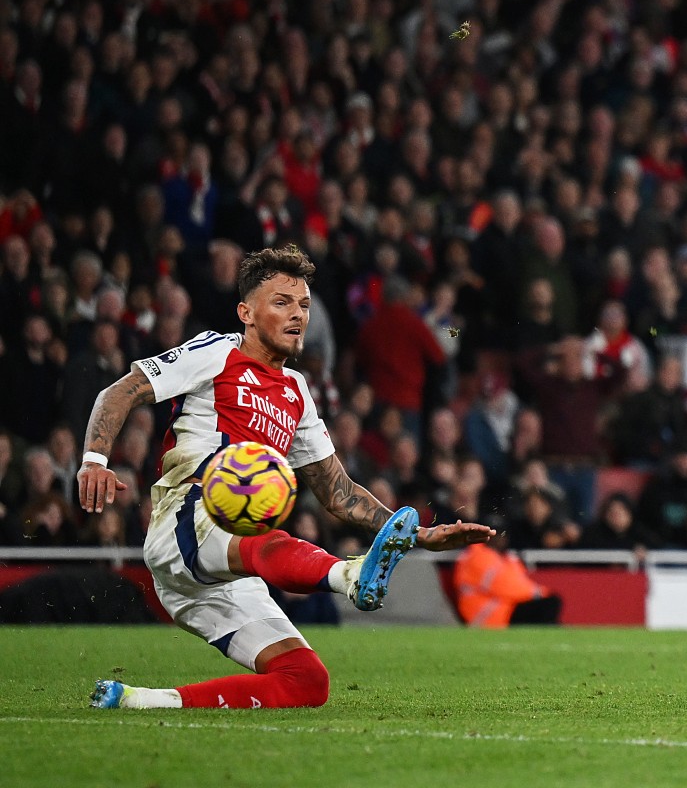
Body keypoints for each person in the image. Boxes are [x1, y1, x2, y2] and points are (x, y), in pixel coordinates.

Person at [80, 245, 493, 710]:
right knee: (256, 529)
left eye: (304, 305)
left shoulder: (297, 391)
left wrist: (418, 534)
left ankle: (138, 701)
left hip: (221, 573)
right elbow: (123, 390)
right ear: (247, 313)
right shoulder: (216, 352)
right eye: (282, 302)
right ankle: (348, 575)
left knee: (306, 681)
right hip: (188, 517)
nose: (298, 315)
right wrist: (95, 460)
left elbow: (338, 493)